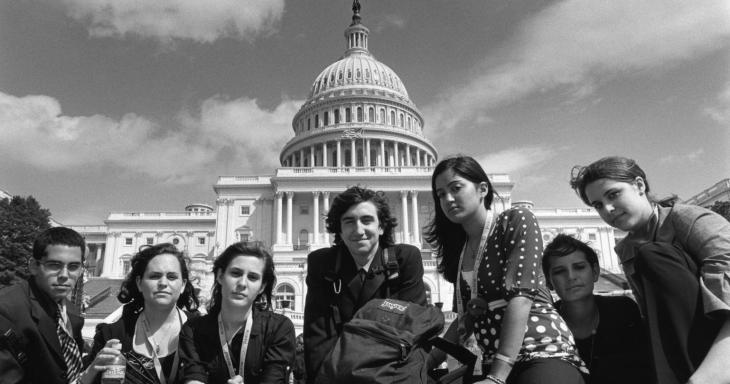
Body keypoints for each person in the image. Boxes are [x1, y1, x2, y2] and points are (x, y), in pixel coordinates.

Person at [425, 156, 586, 384]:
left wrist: (497, 378)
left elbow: (521, 298)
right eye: (440, 194)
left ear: (482, 189)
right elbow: (464, 321)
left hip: (540, 350)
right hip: (493, 361)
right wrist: (423, 366)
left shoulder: (515, 220)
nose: (448, 199)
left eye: (456, 188)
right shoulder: (460, 250)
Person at [570, 156, 730, 384]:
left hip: (718, 348)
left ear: (639, 186)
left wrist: (703, 379)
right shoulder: (626, 249)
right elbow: (656, 318)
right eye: (597, 205)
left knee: (652, 255)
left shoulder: (691, 220)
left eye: (613, 194)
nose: (608, 209)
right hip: (685, 352)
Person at [303, 186, 427, 382]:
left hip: (393, 376)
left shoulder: (405, 259)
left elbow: (413, 330)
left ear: (381, 226)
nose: (359, 230)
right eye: (349, 221)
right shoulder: (322, 264)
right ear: (339, 229)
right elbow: (318, 337)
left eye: (366, 220)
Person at [178, 242, 296, 384]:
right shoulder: (192, 330)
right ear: (220, 276)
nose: (242, 283)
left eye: (252, 277)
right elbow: (193, 377)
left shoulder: (279, 328)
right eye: (236, 273)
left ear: (262, 287)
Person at [542, 234, 652, 384]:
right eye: (559, 271)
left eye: (579, 267)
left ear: (595, 272)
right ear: (549, 282)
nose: (571, 276)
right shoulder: (545, 323)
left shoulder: (623, 311)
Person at [85, 243, 200, 384]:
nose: (163, 283)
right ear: (139, 283)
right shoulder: (112, 334)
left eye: (171, 277)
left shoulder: (203, 331)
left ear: (182, 285)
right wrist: (91, 372)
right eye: (154, 276)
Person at [0, 227, 87, 384]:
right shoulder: (6, 310)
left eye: (73, 267)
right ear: (33, 266)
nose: (64, 275)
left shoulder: (71, 313)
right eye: (54, 265)